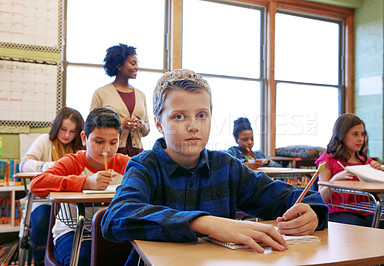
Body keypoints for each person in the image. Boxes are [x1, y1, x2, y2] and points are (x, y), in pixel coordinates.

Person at [101, 69, 329, 265]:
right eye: (179, 116)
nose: (193, 126)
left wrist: (311, 213)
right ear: (159, 124)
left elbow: (289, 197)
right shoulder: (145, 166)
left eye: (202, 115)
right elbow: (116, 217)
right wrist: (204, 223)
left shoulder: (227, 167)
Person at [30, 107, 131, 266]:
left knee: (132, 256)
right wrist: (85, 182)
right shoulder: (72, 162)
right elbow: (36, 184)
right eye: (99, 142)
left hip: (110, 229)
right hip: (72, 231)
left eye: (113, 143)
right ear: (84, 138)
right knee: (84, 260)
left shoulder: (123, 162)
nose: (106, 150)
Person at [19, 106, 84, 266]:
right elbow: (24, 164)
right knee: (42, 221)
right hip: (44, 199)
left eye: (72, 131)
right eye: (63, 129)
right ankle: (40, 260)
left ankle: (62, 256)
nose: (67, 135)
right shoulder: (45, 140)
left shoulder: (79, 147)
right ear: (56, 126)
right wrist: (55, 166)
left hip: (71, 202)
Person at [316, 113, 384, 231]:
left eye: (362, 134)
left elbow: (378, 197)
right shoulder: (328, 160)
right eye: (355, 134)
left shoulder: (367, 162)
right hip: (337, 212)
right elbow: (320, 198)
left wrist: (377, 176)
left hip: (366, 212)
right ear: (342, 135)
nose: (360, 139)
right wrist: (335, 180)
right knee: (360, 228)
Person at [90, 43, 150, 156]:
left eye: (137, 63)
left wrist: (140, 125)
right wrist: (119, 123)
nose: (137, 67)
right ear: (119, 66)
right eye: (133, 63)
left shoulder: (141, 95)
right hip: (111, 152)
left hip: (137, 153)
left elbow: (146, 131)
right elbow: (91, 125)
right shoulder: (101, 93)